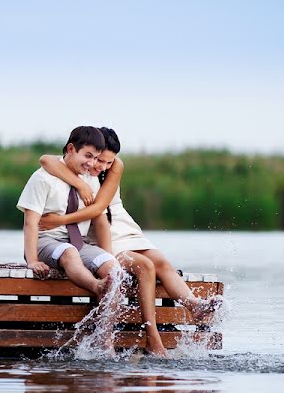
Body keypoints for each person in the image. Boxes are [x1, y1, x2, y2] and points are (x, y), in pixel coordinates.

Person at [38, 127, 222, 325]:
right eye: (100, 160)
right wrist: (80, 184)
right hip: (102, 232)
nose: (103, 166)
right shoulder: (80, 166)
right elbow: (46, 159)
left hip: (121, 224)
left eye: (108, 161)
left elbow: (99, 206)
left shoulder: (114, 166)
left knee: (161, 261)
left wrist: (61, 219)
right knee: (145, 265)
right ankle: (150, 334)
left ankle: (194, 304)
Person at [17, 126, 168, 357]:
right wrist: (32, 260)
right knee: (70, 253)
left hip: (78, 244)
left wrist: (107, 257)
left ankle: (104, 340)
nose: (92, 163)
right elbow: (30, 223)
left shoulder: (90, 180)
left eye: (96, 158)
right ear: (71, 149)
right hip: (48, 242)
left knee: (114, 271)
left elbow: (98, 218)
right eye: (88, 156)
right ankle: (97, 286)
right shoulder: (42, 179)